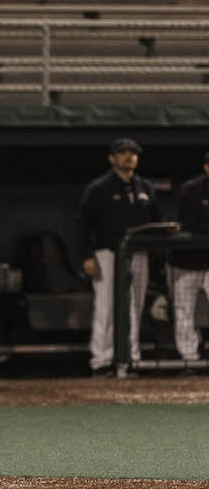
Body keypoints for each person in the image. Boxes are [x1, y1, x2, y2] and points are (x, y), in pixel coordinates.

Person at [75, 137, 161, 374]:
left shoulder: (145, 186)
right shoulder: (99, 187)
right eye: (123, 152)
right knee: (106, 307)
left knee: (135, 307)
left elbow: (155, 220)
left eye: (133, 153)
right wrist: (86, 256)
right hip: (108, 254)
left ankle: (129, 358)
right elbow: (83, 225)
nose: (129, 157)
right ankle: (102, 360)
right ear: (112, 158)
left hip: (139, 254)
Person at [168, 151, 209, 363]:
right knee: (183, 311)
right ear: (206, 167)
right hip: (186, 261)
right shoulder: (191, 189)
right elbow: (190, 225)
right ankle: (189, 358)